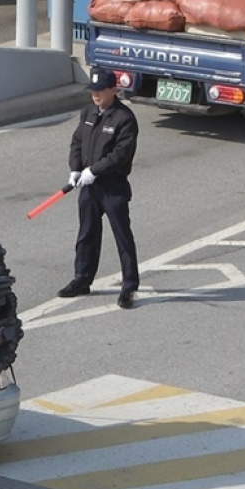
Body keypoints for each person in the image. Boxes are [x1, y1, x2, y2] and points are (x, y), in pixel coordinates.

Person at [58, 67, 141, 309]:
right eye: (93, 90)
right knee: (87, 234)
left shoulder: (124, 118)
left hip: (112, 186)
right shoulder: (88, 112)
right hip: (88, 186)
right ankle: (82, 279)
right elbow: (77, 141)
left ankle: (129, 286)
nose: (95, 95)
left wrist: (95, 170)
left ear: (113, 90)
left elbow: (121, 154)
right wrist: (75, 168)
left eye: (100, 90)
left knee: (122, 236)